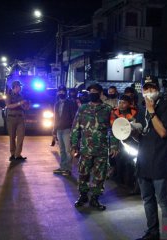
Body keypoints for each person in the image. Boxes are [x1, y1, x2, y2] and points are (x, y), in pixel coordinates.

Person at [136, 76, 167, 240]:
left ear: (158, 90)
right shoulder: (141, 109)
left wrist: (152, 110)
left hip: (159, 161)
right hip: (143, 160)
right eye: (146, 88)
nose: (149, 91)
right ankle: (152, 232)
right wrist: (131, 131)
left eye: (152, 88)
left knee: (164, 202)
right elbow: (141, 135)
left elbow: (162, 132)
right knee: (147, 199)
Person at [70, 83, 119, 211]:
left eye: (95, 91)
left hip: (101, 149)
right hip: (85, 148)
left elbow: (114, 129)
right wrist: (74, 145)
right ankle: (83, 195)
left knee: (99, 175)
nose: (93, 93)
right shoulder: (82, 109)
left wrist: (114, 145)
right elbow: (75, 128)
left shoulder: (108, 109)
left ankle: (95, 198)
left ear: (101, 93)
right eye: (90, 91)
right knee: (83, 173)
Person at [109, 94, 138, 184]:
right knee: (118, 160)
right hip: (118, 141)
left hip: (132, 141)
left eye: (124, 103)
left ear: (129, 104)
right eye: (119, 102)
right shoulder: (114, 113)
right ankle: (118, 177)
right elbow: (113, 128)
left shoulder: (135, 113)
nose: (121, 105)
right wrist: (114, 146)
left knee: (132, 161)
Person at [52, 85, 78, 176]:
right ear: (57, 93)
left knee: (68, 150)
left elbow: (74, 117)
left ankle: (68, 169)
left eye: (63, 91)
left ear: (65, 92)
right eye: (60, 91)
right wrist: (54, 132)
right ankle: (62, 167)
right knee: (62, 150)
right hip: (59, 129)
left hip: (67, 129)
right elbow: (55, 119)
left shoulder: (70, 103)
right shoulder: (56, 104)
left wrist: (73, 129)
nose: (61, 93)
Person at [5, 80, 29, 161]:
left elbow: (24, 107)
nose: (20, 88)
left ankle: (18, 154)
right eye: (19, 86)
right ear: (15, 87)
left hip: (20, 118)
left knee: (21, 137)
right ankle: (12, 154)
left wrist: (26, 105)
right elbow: (8, 106)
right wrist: (19, 103)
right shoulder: (9, 95)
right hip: (11, 118)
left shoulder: (21, 96)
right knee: (12, 137)